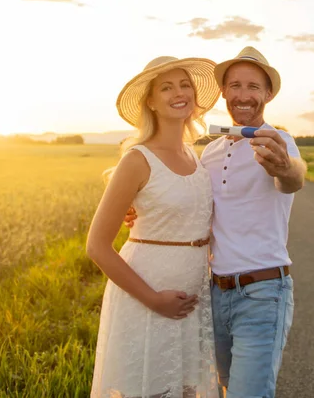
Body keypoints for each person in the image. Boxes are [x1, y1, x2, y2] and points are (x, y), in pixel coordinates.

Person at [125, 46, 307, 398]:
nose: (243, 95)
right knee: (223, 389)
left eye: (253, 87)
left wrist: (285, 168)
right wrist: (138, 207)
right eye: (235, 86)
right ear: (224, 92)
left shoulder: (279, 142)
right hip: (214, 295)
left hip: (262, 293)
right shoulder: (209, 152)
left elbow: (293, 179)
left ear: (268, 94)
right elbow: (192, 209)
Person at [85, 55, 222, 398]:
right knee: (149, 388)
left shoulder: (197, 157)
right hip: (146, 295)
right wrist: (153, 299)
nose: (179, 93)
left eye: (185, 84)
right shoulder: (137, 159)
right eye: (166, 87)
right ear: (151, 101)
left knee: (188, 389)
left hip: (193, 298)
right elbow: (97, 246)